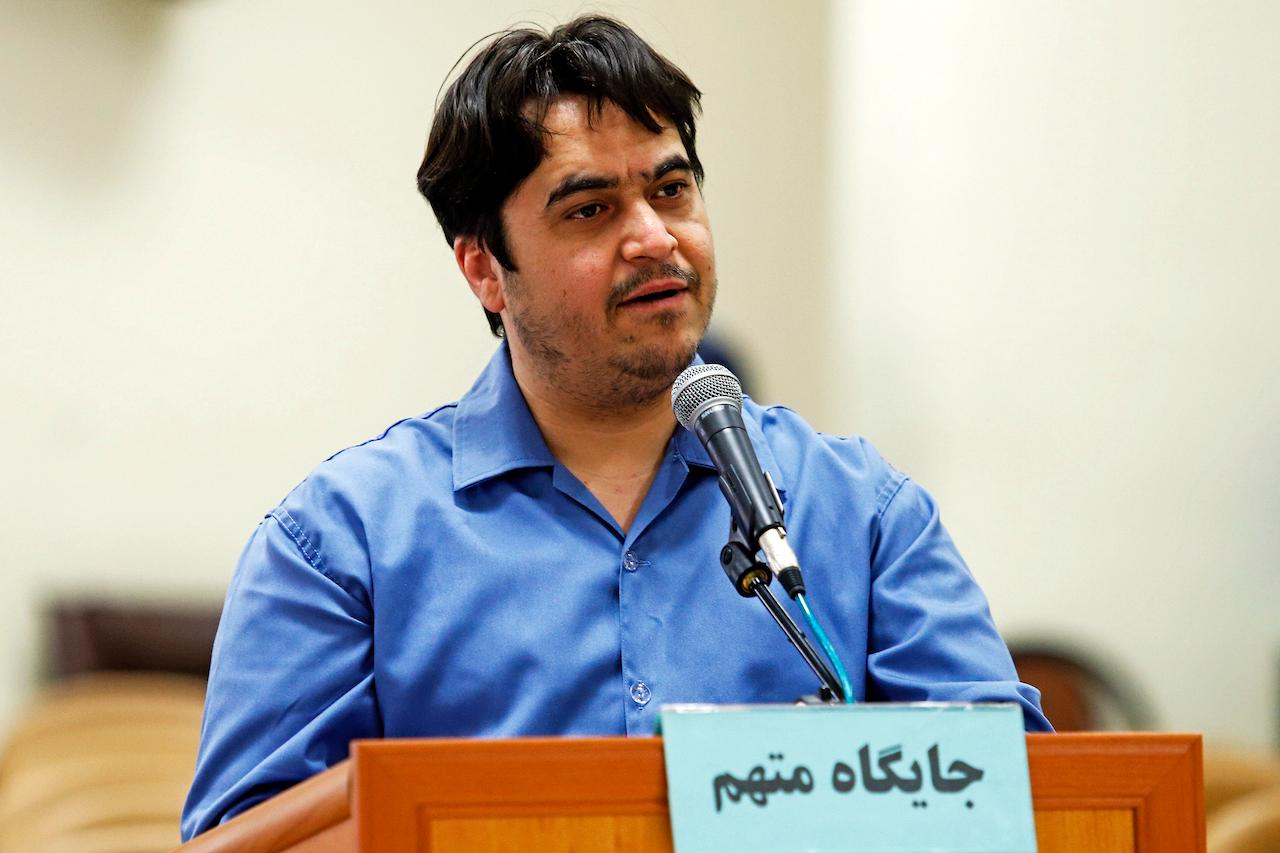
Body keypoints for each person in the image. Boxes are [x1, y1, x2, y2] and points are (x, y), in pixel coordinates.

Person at [181, 15, 1050, 840]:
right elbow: (257, 837)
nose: (654, 238)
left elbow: (1026, 803)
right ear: (484, 268)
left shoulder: (863, 515)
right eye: (590, 209)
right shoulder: (342, 543)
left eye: (672, 190)